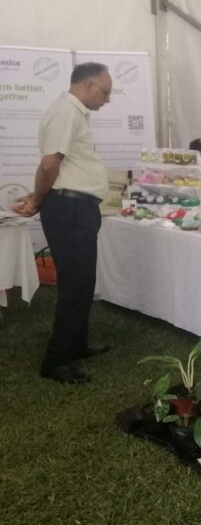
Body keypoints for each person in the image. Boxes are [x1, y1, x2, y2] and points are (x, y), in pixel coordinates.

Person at [12, 62, 113, 383]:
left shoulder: (72, 113)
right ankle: (56, 361)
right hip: (70, 209)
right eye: (105, 92)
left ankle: (75, 345)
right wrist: (37, 200)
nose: (107, 99)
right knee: (75, 285)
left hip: (75, 207)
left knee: (83, 283)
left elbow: (59, 169)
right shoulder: (66, 112)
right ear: (88, 85)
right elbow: (49, 165)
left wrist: (38, 196)